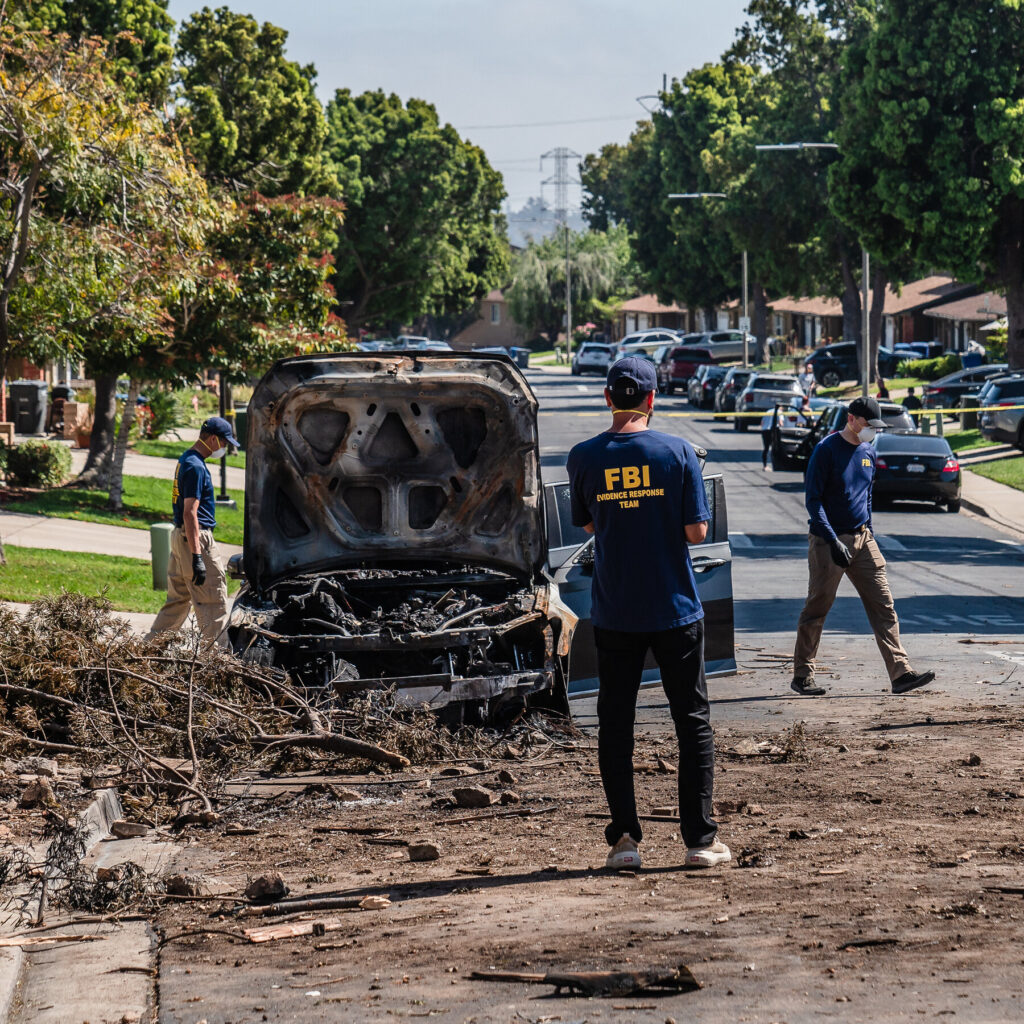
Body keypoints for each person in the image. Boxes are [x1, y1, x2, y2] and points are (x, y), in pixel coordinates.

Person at [567, 356, 731, 872]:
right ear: (652, 399)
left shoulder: (583, 456)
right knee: (692, 722)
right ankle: (700, 841)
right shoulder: (678, 451)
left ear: (608, 399)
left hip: (615, 611)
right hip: (675, 609)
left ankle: (624, 841)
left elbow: (588, 525)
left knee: (615, 725)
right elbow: (696, 533)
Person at [791, 396, 935, 697]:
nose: (873, 430)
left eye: (876, 426)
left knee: (884, 605)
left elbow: (866, 496)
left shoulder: (868, 451)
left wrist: (869, 532)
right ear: (851, 419)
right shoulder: (826, 450)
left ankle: (901, 673)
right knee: (818, 607)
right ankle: (803, 676)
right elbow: (813, 501)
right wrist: (832, 540)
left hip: (863, 539)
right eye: (868, 424)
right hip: (828, 540)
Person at [148, 417, 239, 647]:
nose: (225, 448)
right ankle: (217, 661)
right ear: (213, 439)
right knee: (213, 603)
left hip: (180, 537)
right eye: (224, 443)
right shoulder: (196, 466)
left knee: (177, 602)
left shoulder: (186, 459)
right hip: (195, 538)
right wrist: (198, 556)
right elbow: (190, 512)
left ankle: (148, 650)